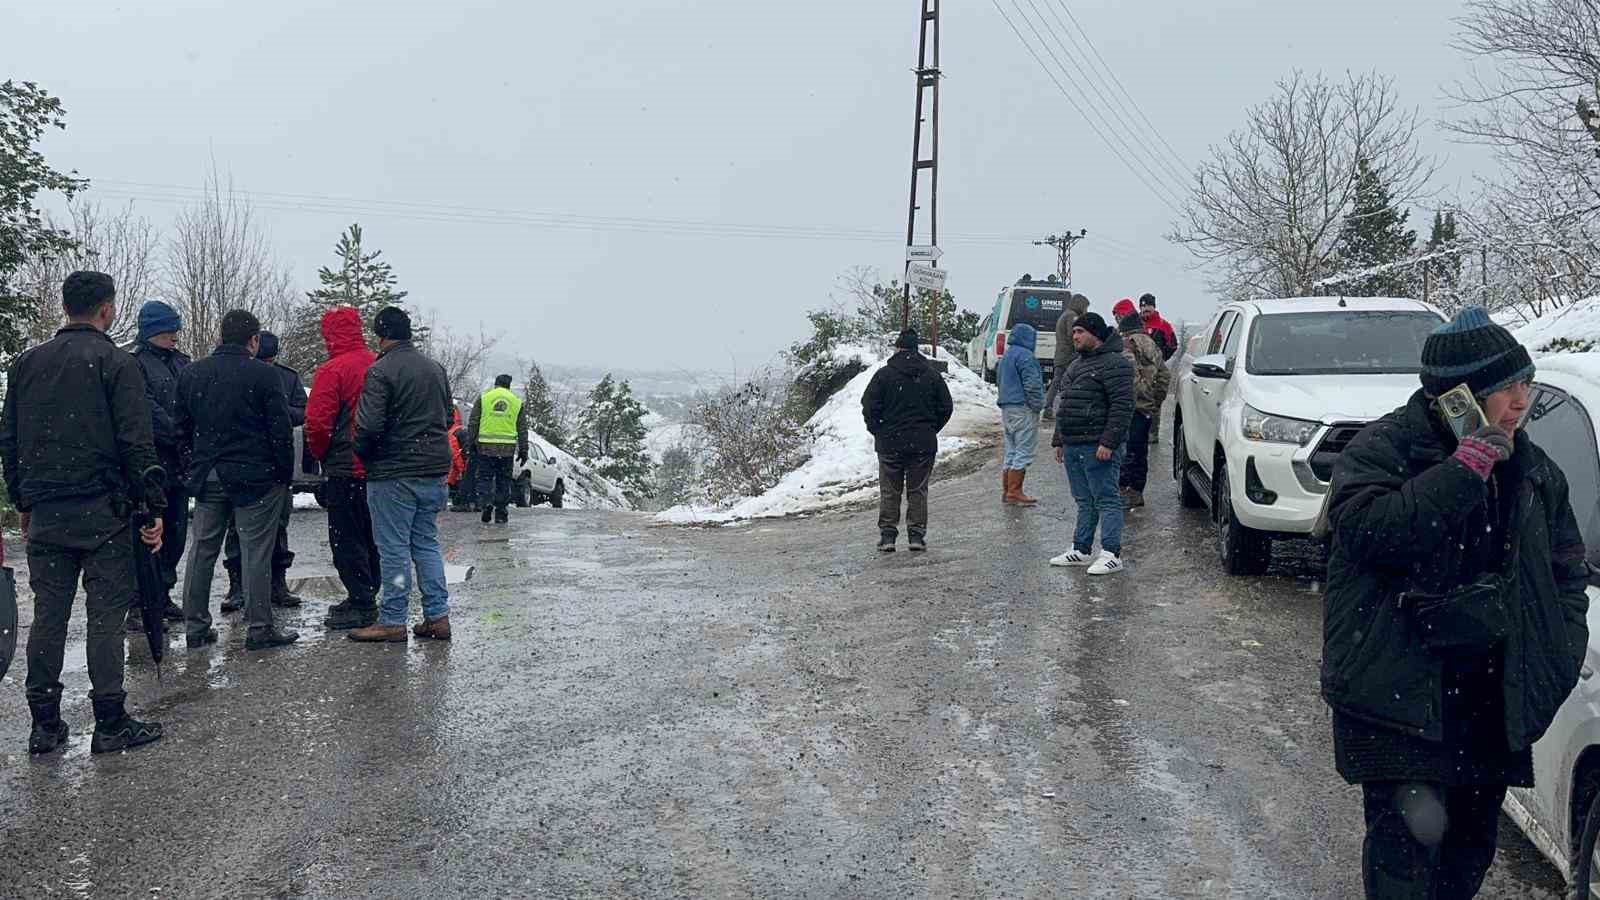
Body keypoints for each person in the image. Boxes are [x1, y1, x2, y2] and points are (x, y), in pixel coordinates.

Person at [1322, 306, 1588, 898]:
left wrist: (1560, 652)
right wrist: (1463, 471)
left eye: (1527, 382)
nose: (1522, 401)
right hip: (1403, 702)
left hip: (1488, 706)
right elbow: (1373, 532)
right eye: (1506, 388)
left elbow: (1566, 571)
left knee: (1468, 859)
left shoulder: (1534, 470)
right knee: (1404, 869)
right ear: (1458, 395)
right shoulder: (1381, 450)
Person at [0, 271, 166, 754]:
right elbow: (137, 442)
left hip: (48, 509)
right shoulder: (115, 363)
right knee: (105, 618)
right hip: (103, 512)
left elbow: (9, 440)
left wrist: (24, 500)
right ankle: (110, 721)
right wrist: (152, 506)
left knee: (49, 617)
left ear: (66, 306)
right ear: (106, 309)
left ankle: (44, 724)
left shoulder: (27, 364)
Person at [175, 310, 299, 652]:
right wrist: (284, 474)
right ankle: (259, 627)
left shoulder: (192, 373)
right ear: (254, 340)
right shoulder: (264, 375)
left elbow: (180, 429)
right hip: (255, 477)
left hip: (209, 475)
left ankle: (195, 625)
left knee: (202, 549)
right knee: (255, 551)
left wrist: (193, 466)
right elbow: (279, 430)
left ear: (220, 335)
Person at [349, 307, 455, 643]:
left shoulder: (381, 371)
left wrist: (366, 455)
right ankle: (437, 617)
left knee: (393, 548)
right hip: (434, 469)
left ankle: (393, 620)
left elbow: (367, 426)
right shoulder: (435, 368)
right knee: (426, 545)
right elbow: (447, 414)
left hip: (394, 473)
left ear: (380, 335)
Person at [304, 306, 382, 630]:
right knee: (374, 536)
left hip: (345, 469)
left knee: (346, 538)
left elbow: (318, 423)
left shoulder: (332, 370)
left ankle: (361, 601)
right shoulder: (379, 363)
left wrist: (321, 456)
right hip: (381, 470)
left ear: (330, 335)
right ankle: (372, 591)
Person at [1048, 312, 1134, 575]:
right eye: (1074, 332)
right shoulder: (1076, 364)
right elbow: (1064, 403)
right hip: (1074, 445)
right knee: (1084, 500)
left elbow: (1122, 406)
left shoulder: (1115, 364)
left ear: (1095, 334)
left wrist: (1109, 441)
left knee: (1106, 498)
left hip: (1098, 445)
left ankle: (1111, 553)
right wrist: (1059, 439)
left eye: (1080, 332)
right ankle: (1081, 549)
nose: (1075, 337)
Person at [861, 329, 953, 552]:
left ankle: (888, 537)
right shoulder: (931, 375)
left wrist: (879, 431)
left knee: (890, 490)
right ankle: (916, 536)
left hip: (890, 443)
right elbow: (946, 407)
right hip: (922, 444)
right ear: (916, 348)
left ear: (898, 347)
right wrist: (930, 429)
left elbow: (869, 406)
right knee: (918, 490)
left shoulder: (883, 375)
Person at [131, 300, 191, 623]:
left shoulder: (182, 363)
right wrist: (176, 430)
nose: (175, 334)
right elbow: (147, 409)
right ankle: (141, 603)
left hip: (179, 465)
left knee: (176, 535)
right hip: (152, 464)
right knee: (148, 536)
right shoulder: (137, 365)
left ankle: (163, 593)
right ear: (154, 331)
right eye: (170, 329)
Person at [248, 330, 306, 609]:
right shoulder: (243, 373)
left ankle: (278, 584)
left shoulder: (288, 377)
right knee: (240, 530)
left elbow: (302, 411)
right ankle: (238, 586)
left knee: (279, 526)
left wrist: (278, 410)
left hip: (278, 462)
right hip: (248, 460)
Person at [1116, 311, 1170, 509]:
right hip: (1147, 409)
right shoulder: (1152, 345)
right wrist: (1155, 401)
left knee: (1125, 451)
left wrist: (1131, 399)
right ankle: (1137, 492)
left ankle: (1123, 490)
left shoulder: (1127, 344)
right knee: (1140, 452)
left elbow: (1130, 376)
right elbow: (1164, 375)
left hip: (1131, 407)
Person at [467, 373, 530, 524]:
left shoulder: (484, 398)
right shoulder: (516, 402)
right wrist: (524, 449)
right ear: (509, 385)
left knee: (485, 477)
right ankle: (501, 511)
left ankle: (486, 503)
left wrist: (472, 442)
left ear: (496, 384)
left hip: (486, 447)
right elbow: (522, 428)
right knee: (504, 480)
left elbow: (473, 422)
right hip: (506, 449)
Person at [996, 321, 1045, 506]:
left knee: (1011, 450)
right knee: (1024, 449)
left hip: (1007, 408)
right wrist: (1038, 405)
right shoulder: (1026, 357)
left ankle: (1007, 490)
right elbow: (1032, 385)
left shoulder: (1006, 356)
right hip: (1023, 408)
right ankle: (1015, 492)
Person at [1043, 293, 1091, 421]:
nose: (1086, 310)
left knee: (1057, 381)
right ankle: (1069, 408)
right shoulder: (1072, 316)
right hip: (1069, 356)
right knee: (1072, 381)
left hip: (1061, 354)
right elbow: (1073, 334)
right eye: (1085, 307)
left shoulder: (1065, 314)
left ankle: (1048, 407)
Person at [1139, 293, 1178, 361]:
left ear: (1154, 307)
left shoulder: (1164, 325)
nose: (1146, 308)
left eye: (1149, 305)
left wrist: (1161, 359)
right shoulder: (1135, 323)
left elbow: (1173, 345)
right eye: (1143, 306)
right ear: (1140, 308)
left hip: (1156, 368)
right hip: (1138, 367)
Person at [446, 407, 469, 505]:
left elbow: (455, 456)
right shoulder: (461, 430)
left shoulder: (451, 433)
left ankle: (463, 502)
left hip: (465, 462)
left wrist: (462, 470)